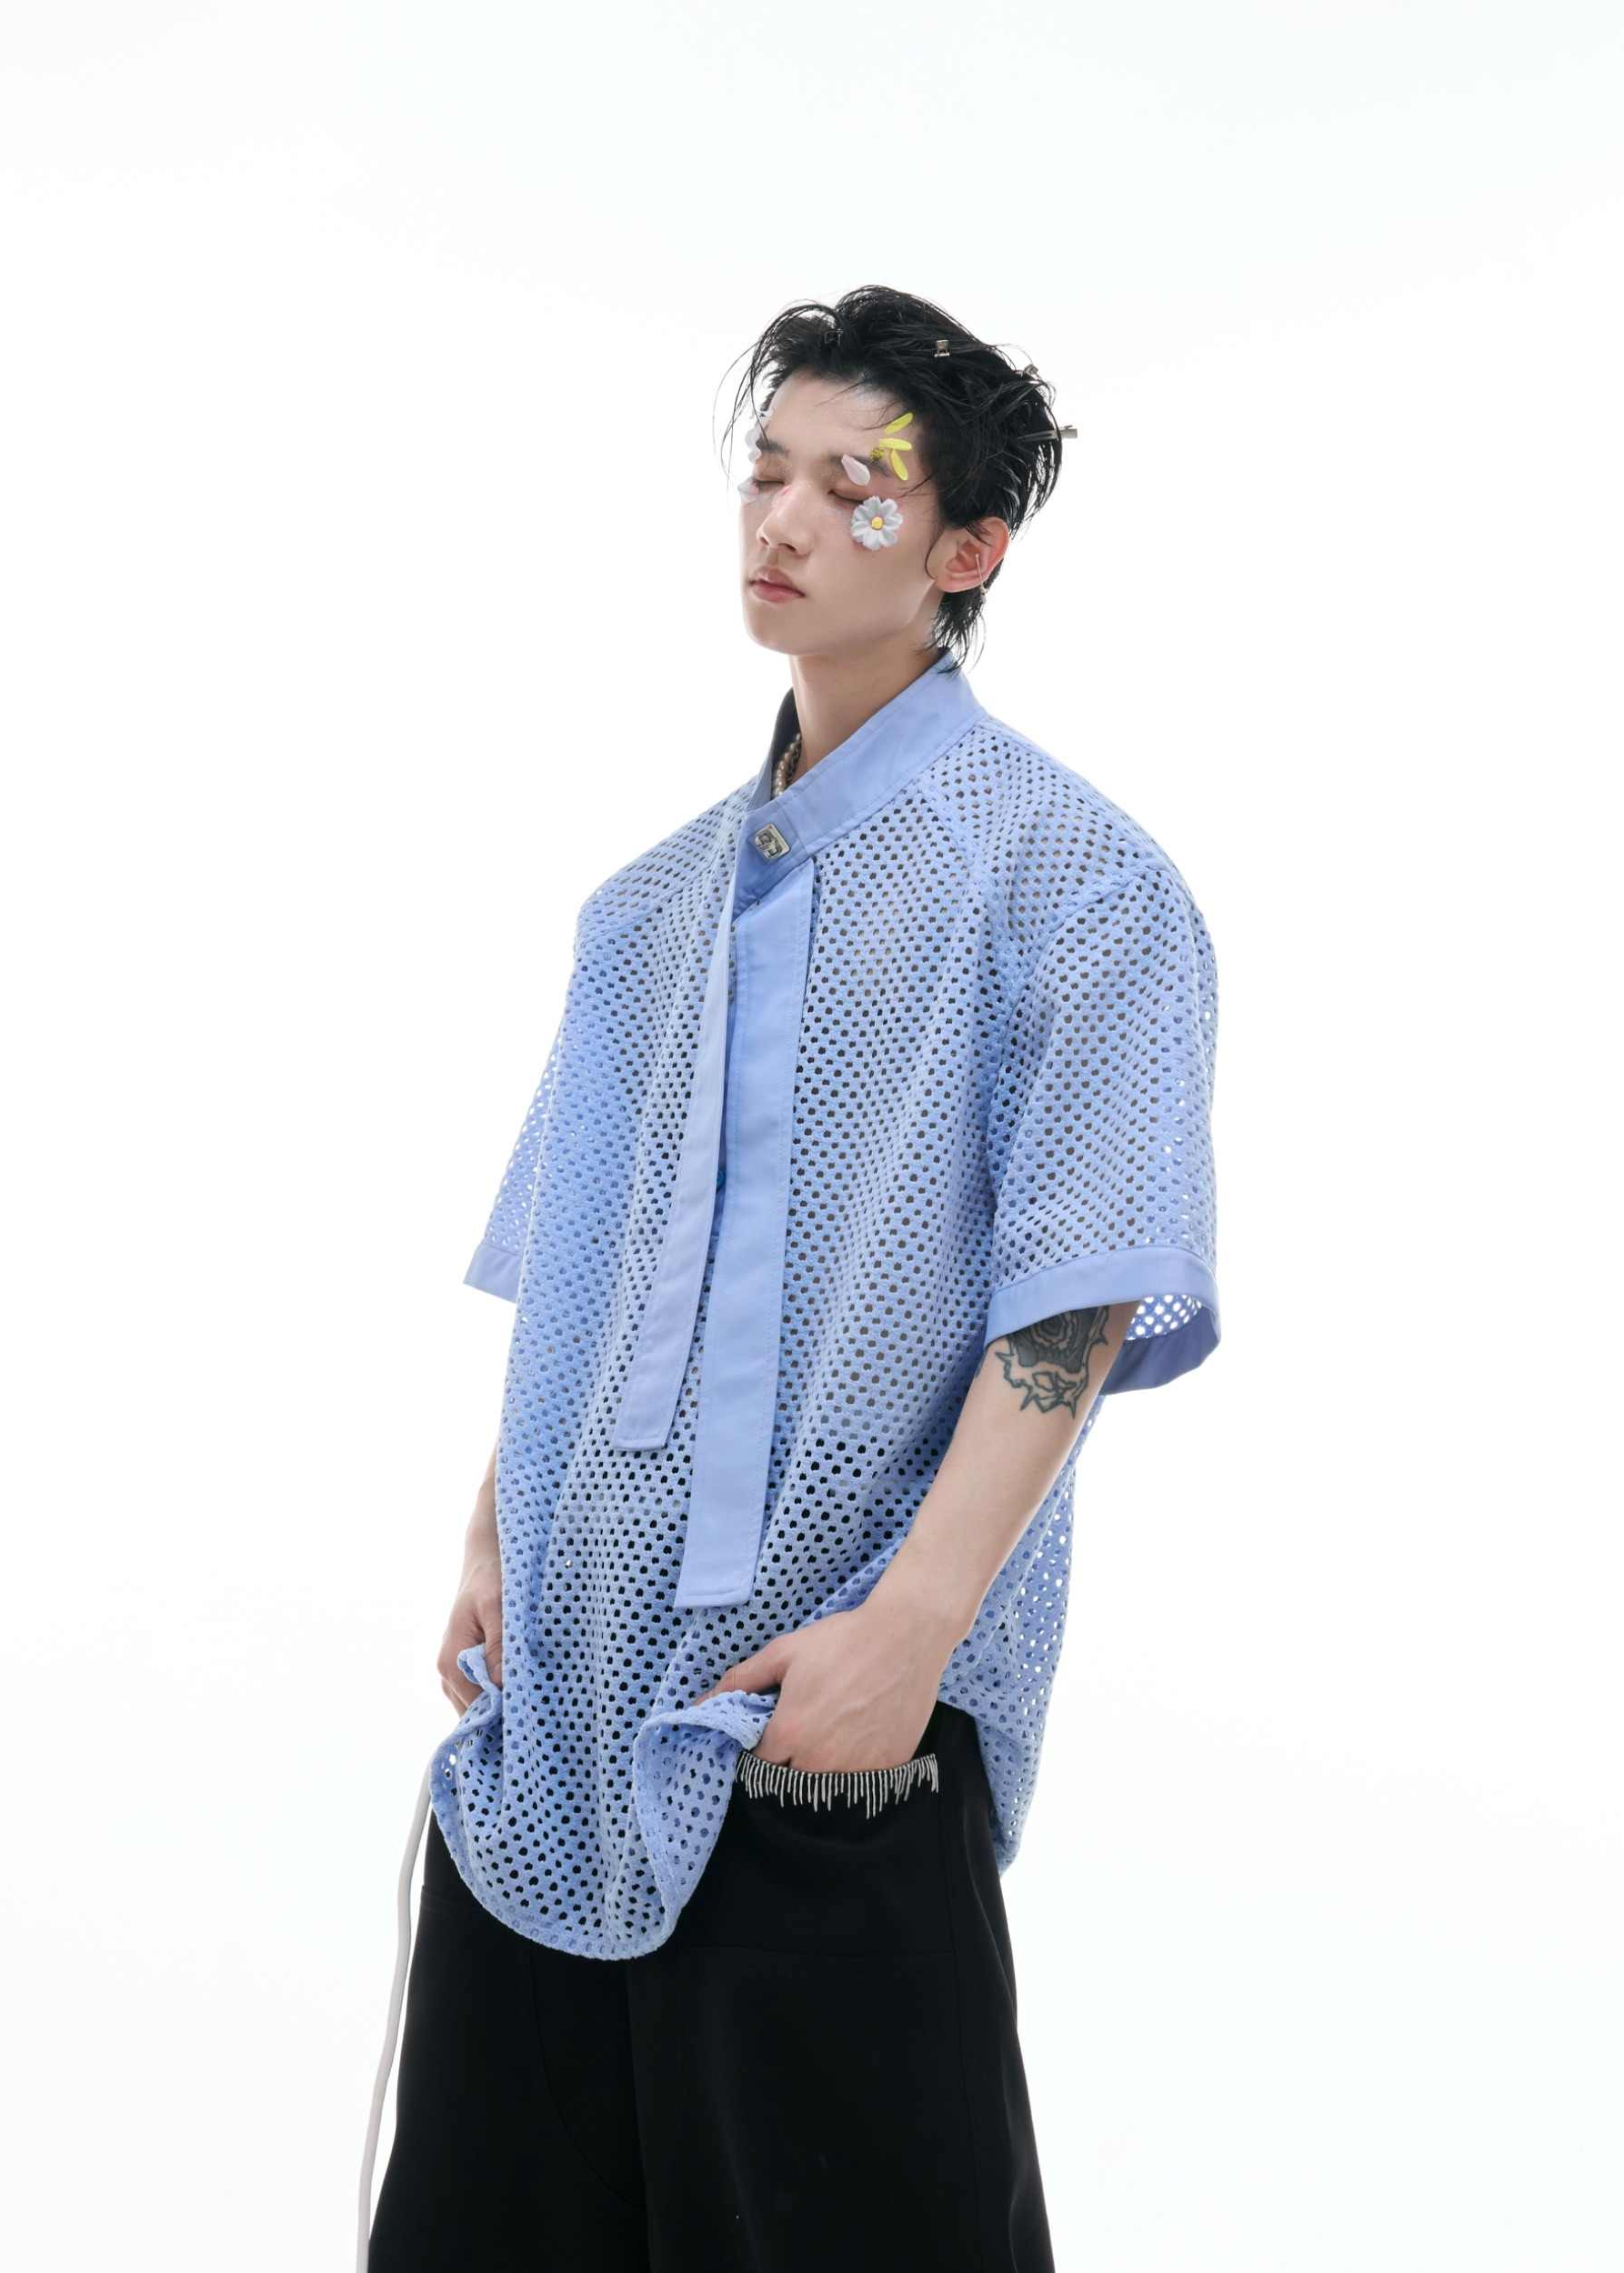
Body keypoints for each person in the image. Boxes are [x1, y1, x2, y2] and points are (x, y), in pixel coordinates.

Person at [359, 285, 1222, 2273]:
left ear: (963, 550)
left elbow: (1073, 1296)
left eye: (855, 486)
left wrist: (905, 1635)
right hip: (557, 1721)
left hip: (818, 1719)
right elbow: (580, 1262)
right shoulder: (642, 909)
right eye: (764, 473)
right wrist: (495, 1531)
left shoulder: (1075, 881)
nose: (784, 520)